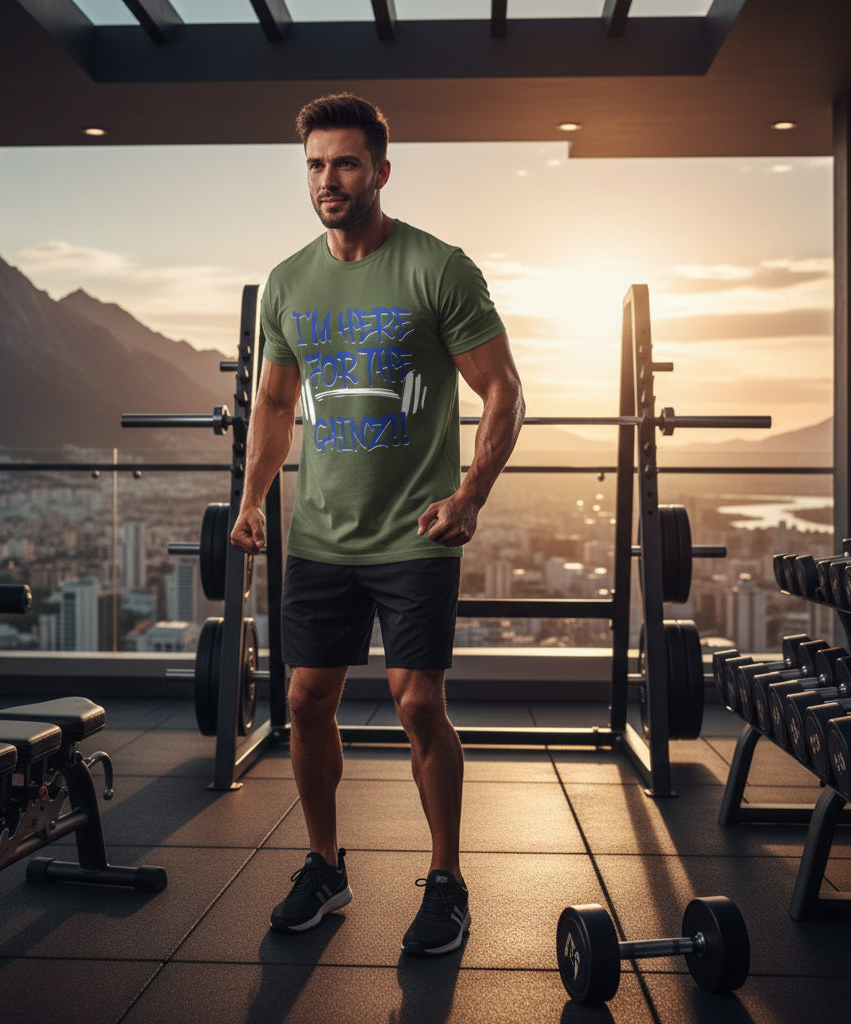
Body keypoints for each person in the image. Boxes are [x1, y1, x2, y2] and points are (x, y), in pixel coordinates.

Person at [230, 93, 525, 956]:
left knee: (418, 702)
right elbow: (275, 402)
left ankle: (447, 881)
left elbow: (503, 389)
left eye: (346, 163)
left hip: (414, 532)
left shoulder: (439, 268)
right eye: (316, 165)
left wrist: (469, 497)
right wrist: (252, 498)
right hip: (322, 535)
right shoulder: (288, 282)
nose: (329, 179)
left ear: (381, 172)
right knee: (304, 698)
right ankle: (325, 867)